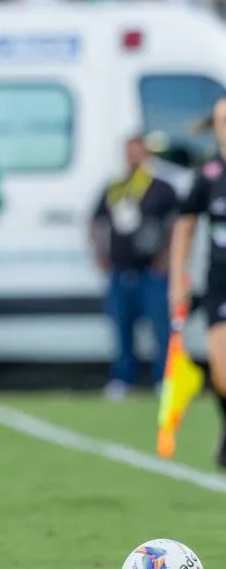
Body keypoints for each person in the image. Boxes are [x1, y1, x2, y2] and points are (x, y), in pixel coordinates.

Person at [91, 135, 176, 400]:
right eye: (129, 153)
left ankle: (163, 378)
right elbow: (96, 221)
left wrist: (167, 256)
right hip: (121, 270)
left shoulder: (160, 188)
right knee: (121, 327)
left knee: (160, 328)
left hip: (151, 271)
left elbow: (176, 225)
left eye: (138, 153)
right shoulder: (116, 187)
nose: (133, 158)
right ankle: (123, 378)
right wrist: (99, 253)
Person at [170, 95, 226, 467]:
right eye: (221, 122)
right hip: (220, 283)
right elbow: (185, 227)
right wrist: (179, 280)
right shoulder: (209, 176)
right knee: (221, 370)